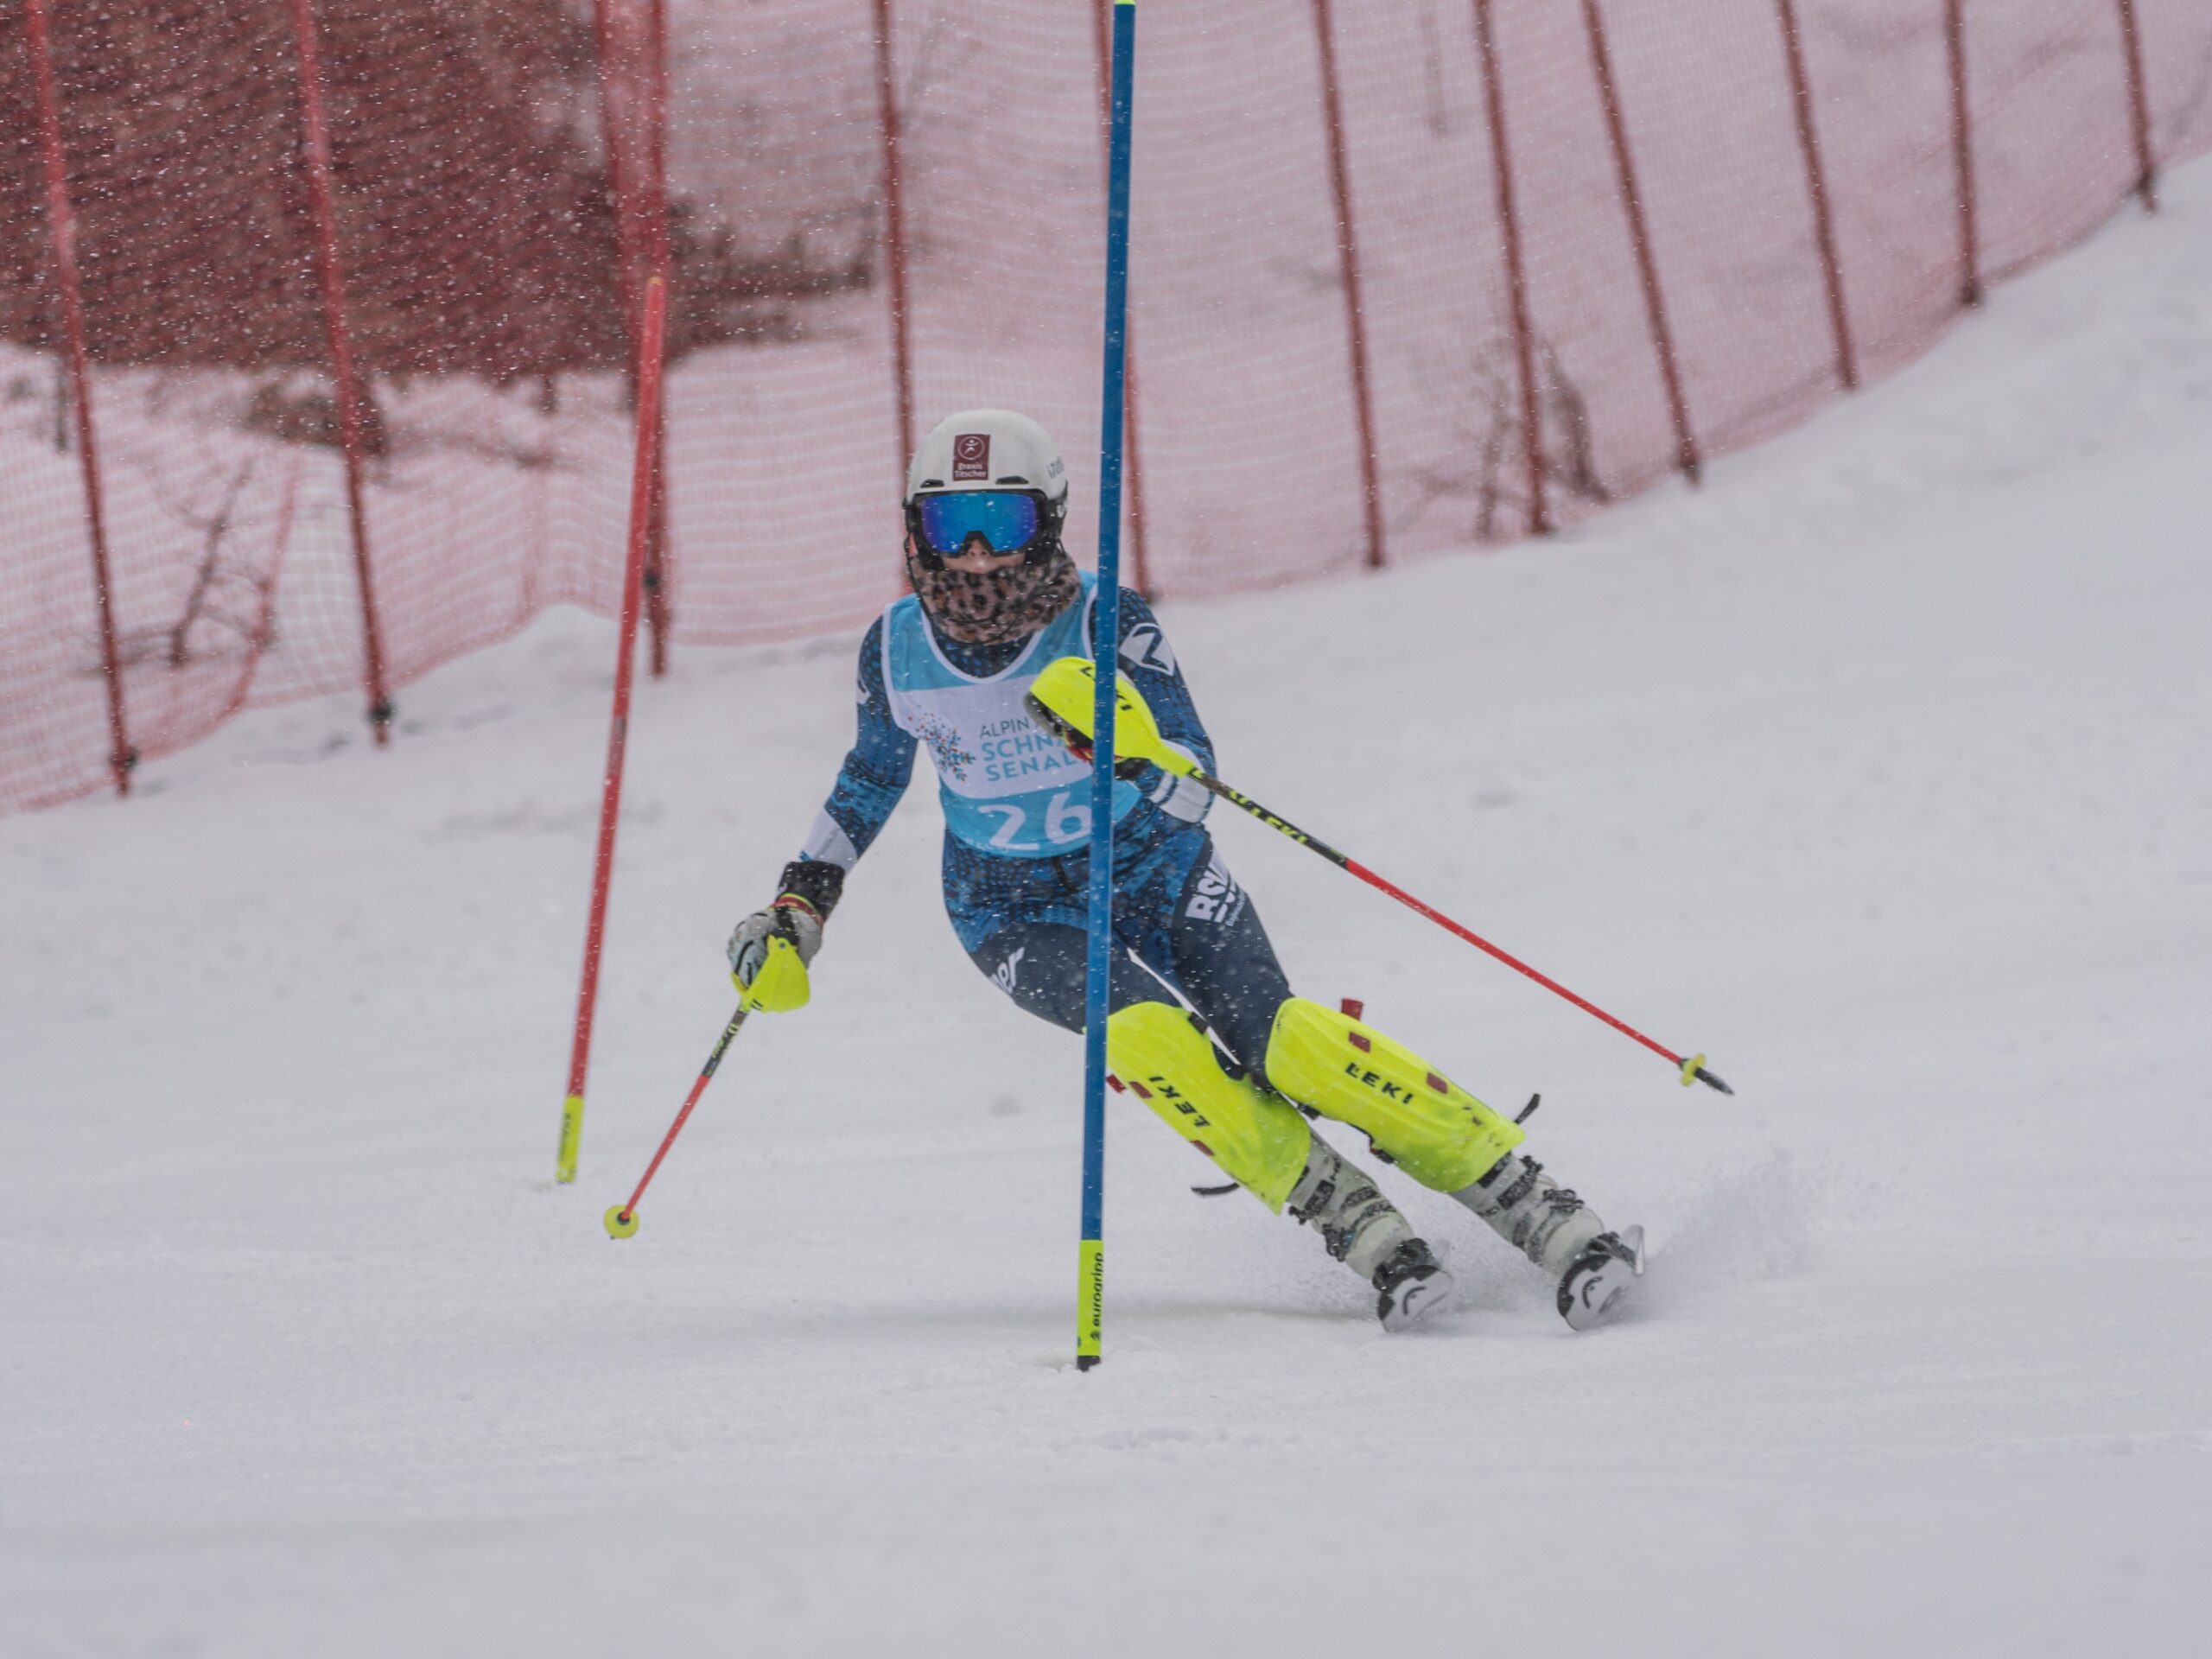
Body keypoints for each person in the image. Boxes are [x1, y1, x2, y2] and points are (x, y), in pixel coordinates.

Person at [728, 409, 1642, 1332]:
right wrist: (801, 900)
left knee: (1287, 1045)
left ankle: (1529, 1199)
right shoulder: (894, 649)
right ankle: (1352, 1220)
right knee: (1151, 1040)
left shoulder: (1103, 619)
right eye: (943, 524)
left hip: (1152, 869)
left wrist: (1137, 750)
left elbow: (1198, 781)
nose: (970, 555)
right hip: (1009, 907)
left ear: (1045, 521)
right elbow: (870, 777)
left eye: (998, 524)